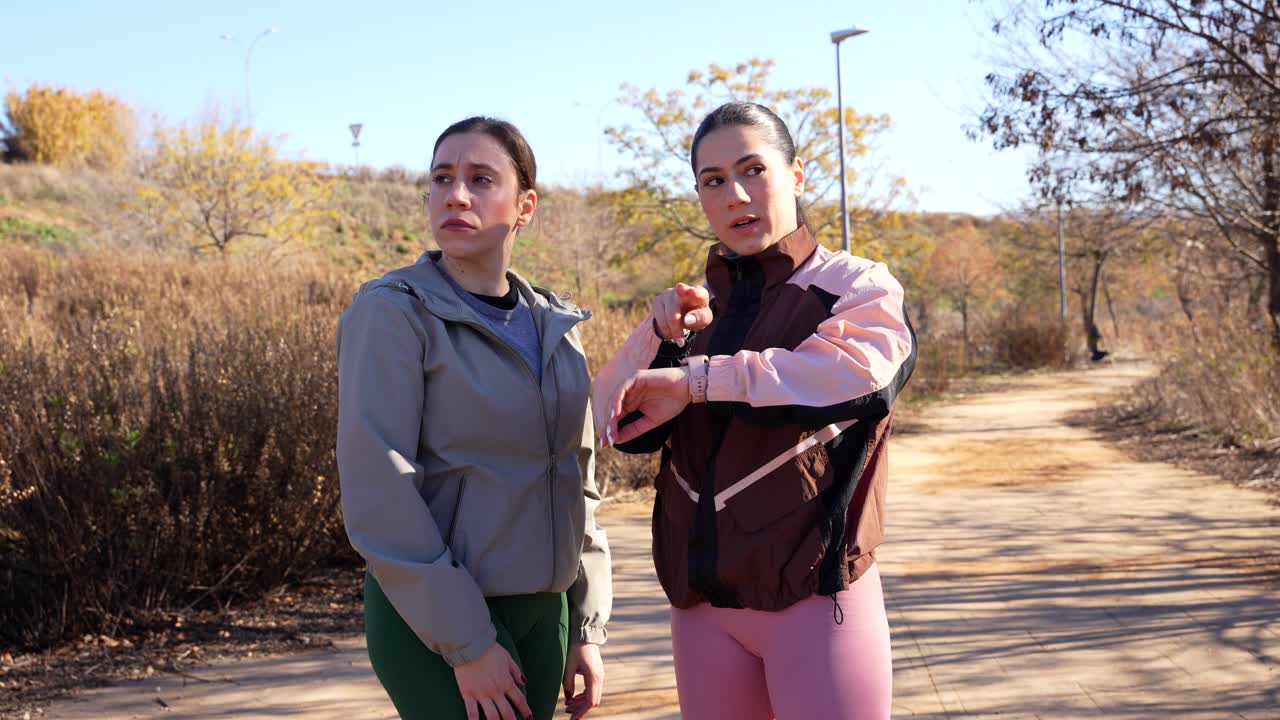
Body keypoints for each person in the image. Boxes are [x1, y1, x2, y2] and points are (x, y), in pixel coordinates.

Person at [594, 102, 916, 720]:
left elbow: (854, 380)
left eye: (753, 170)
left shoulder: (858, 286)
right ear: (699, 196)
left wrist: (699, 379)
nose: (735, 194)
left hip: (815, 602)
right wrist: (662, 340)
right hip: (703, 610)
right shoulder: (695, 308)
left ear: (795, 175)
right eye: (713, 180)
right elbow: (614, 424)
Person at [336, 117, 611, 720]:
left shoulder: (556, 325)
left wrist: (586, 624)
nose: (455, 194)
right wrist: (468, 643)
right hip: (437, 619)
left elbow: (577, 480)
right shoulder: (392, 314)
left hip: (547, 614)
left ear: (524, 206)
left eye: (481, 179)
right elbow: (378, 488)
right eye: (442, 178)